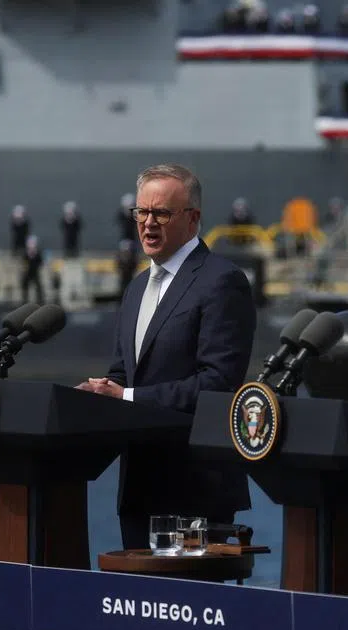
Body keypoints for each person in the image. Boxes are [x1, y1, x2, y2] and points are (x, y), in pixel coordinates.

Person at [75, 164, 256, 550]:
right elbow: (123, 373)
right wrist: (95, 394)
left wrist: (124, 398)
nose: (148, 223)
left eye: (161, 213)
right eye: (141, 212)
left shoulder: (222, 282)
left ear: (192, 219)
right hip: (139, 490)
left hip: (196, 491)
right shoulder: (138, 288)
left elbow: (218, 383)